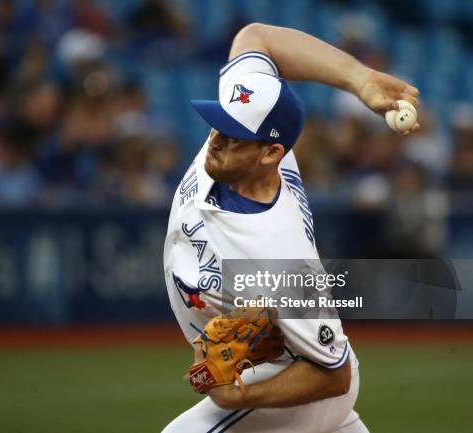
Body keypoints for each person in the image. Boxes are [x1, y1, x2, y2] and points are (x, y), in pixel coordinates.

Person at [162, 23, 419, 432]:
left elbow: (334, 375)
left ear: (272, 153)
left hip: (296, 378)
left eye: (233, 136)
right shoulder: (249, 118)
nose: (215, 140)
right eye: (219, 123)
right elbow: (256, 37)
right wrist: (360, 78)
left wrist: (241, 396)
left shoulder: (279, 256)